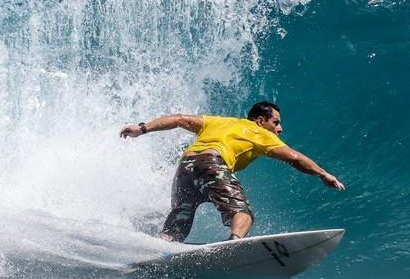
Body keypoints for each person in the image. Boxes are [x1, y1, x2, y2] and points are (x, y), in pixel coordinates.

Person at [119, 101, 344, 242]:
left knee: (178, 223)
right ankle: (234, 244)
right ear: (260, 120)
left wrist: (142, 128)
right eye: (276, 122)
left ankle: (160, 245)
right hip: (210, 163)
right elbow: (295, 158)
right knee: (242, 212)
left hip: (185, 167)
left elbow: (179, 119)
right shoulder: (259, 132)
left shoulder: (220, 122)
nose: (279, 128)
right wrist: (323, 174)